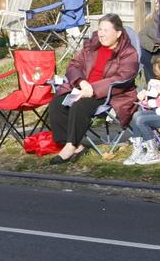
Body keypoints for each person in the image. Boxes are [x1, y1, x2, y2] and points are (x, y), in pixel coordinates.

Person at [46, 14, 139, 163]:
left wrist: (93, 89)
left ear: (118, 33)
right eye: (100, 29)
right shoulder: (92, 46)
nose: (101, 34)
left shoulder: (128, 53)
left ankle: (70, 146)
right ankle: (74, 144)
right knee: (57, 104)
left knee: (80, 106)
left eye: (106, 30)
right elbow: (74, 65)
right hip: (82, 87)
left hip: (109, 93)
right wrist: (82, 82)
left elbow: (122, 78)